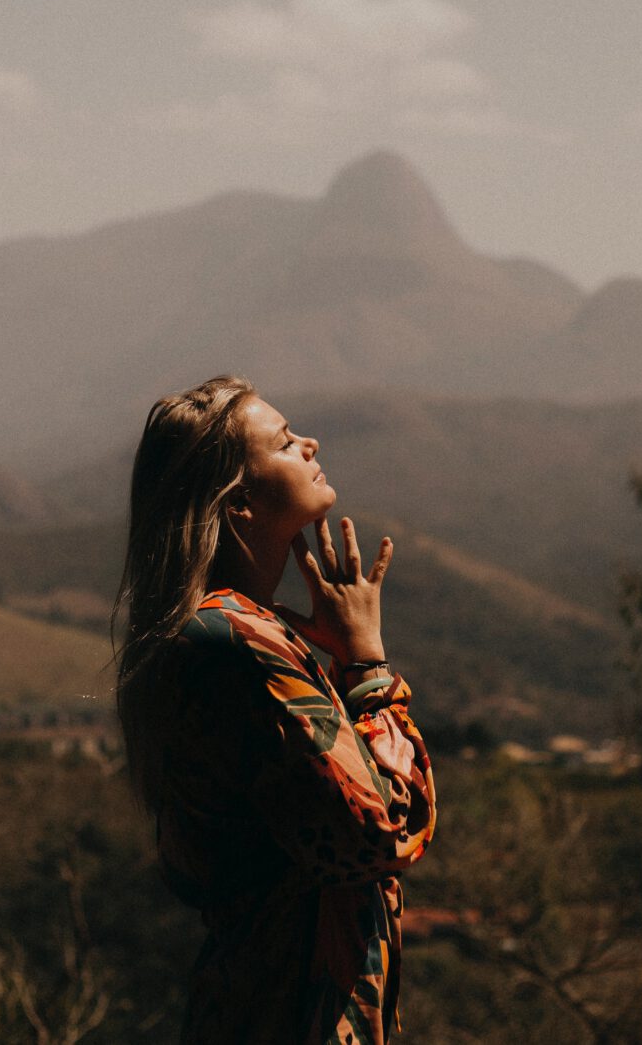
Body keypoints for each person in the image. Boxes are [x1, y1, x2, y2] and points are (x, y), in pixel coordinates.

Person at [113, 375, 437, 1044]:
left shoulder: (235, 635)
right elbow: (381, 831)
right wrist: (369, 669)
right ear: (238, 505)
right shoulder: (234, 643)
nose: (311, 442)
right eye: (286, 442)